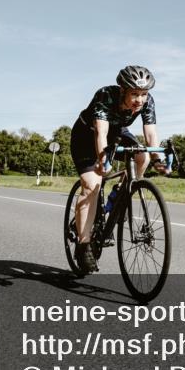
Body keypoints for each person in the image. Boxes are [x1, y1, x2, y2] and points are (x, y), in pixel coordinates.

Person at [69, 65, 171, 274]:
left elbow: (150, 134)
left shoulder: (148, 102)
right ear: (123, 90)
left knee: (141, 155)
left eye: (143, 94)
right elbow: (100, 131)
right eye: (135, 94)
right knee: (92, 185)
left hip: (117, 132)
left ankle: (122, 192)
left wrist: (157, 158)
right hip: (86, 136)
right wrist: (102, 159)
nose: (140, 100)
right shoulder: (105, 95)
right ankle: (83, 244)